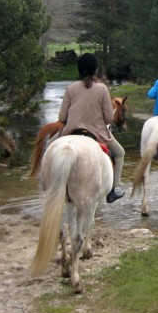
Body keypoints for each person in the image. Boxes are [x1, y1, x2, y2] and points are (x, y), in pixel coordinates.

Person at [57, 53, 126, 203]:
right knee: (120, 153)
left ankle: (46, 183)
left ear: (79, 70)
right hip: (97, 133)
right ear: (95, 70)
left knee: (49, 148)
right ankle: (114, 189)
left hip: (70, 132)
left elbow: (62, 117)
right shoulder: (102, 88)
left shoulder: (70, 88)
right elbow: (109, 118)